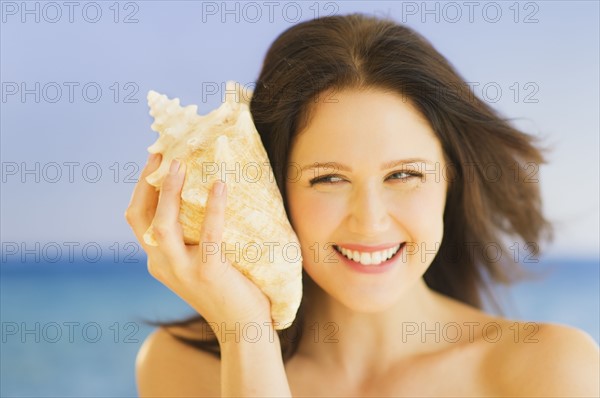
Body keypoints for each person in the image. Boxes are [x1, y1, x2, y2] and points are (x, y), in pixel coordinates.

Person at [125, 13, 599, 397]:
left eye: (404, 175)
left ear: (452, 179)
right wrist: (246, 331)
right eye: (328, 178)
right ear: (271, 188)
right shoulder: (181, 368)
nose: (370, 221)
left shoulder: (550, 370)